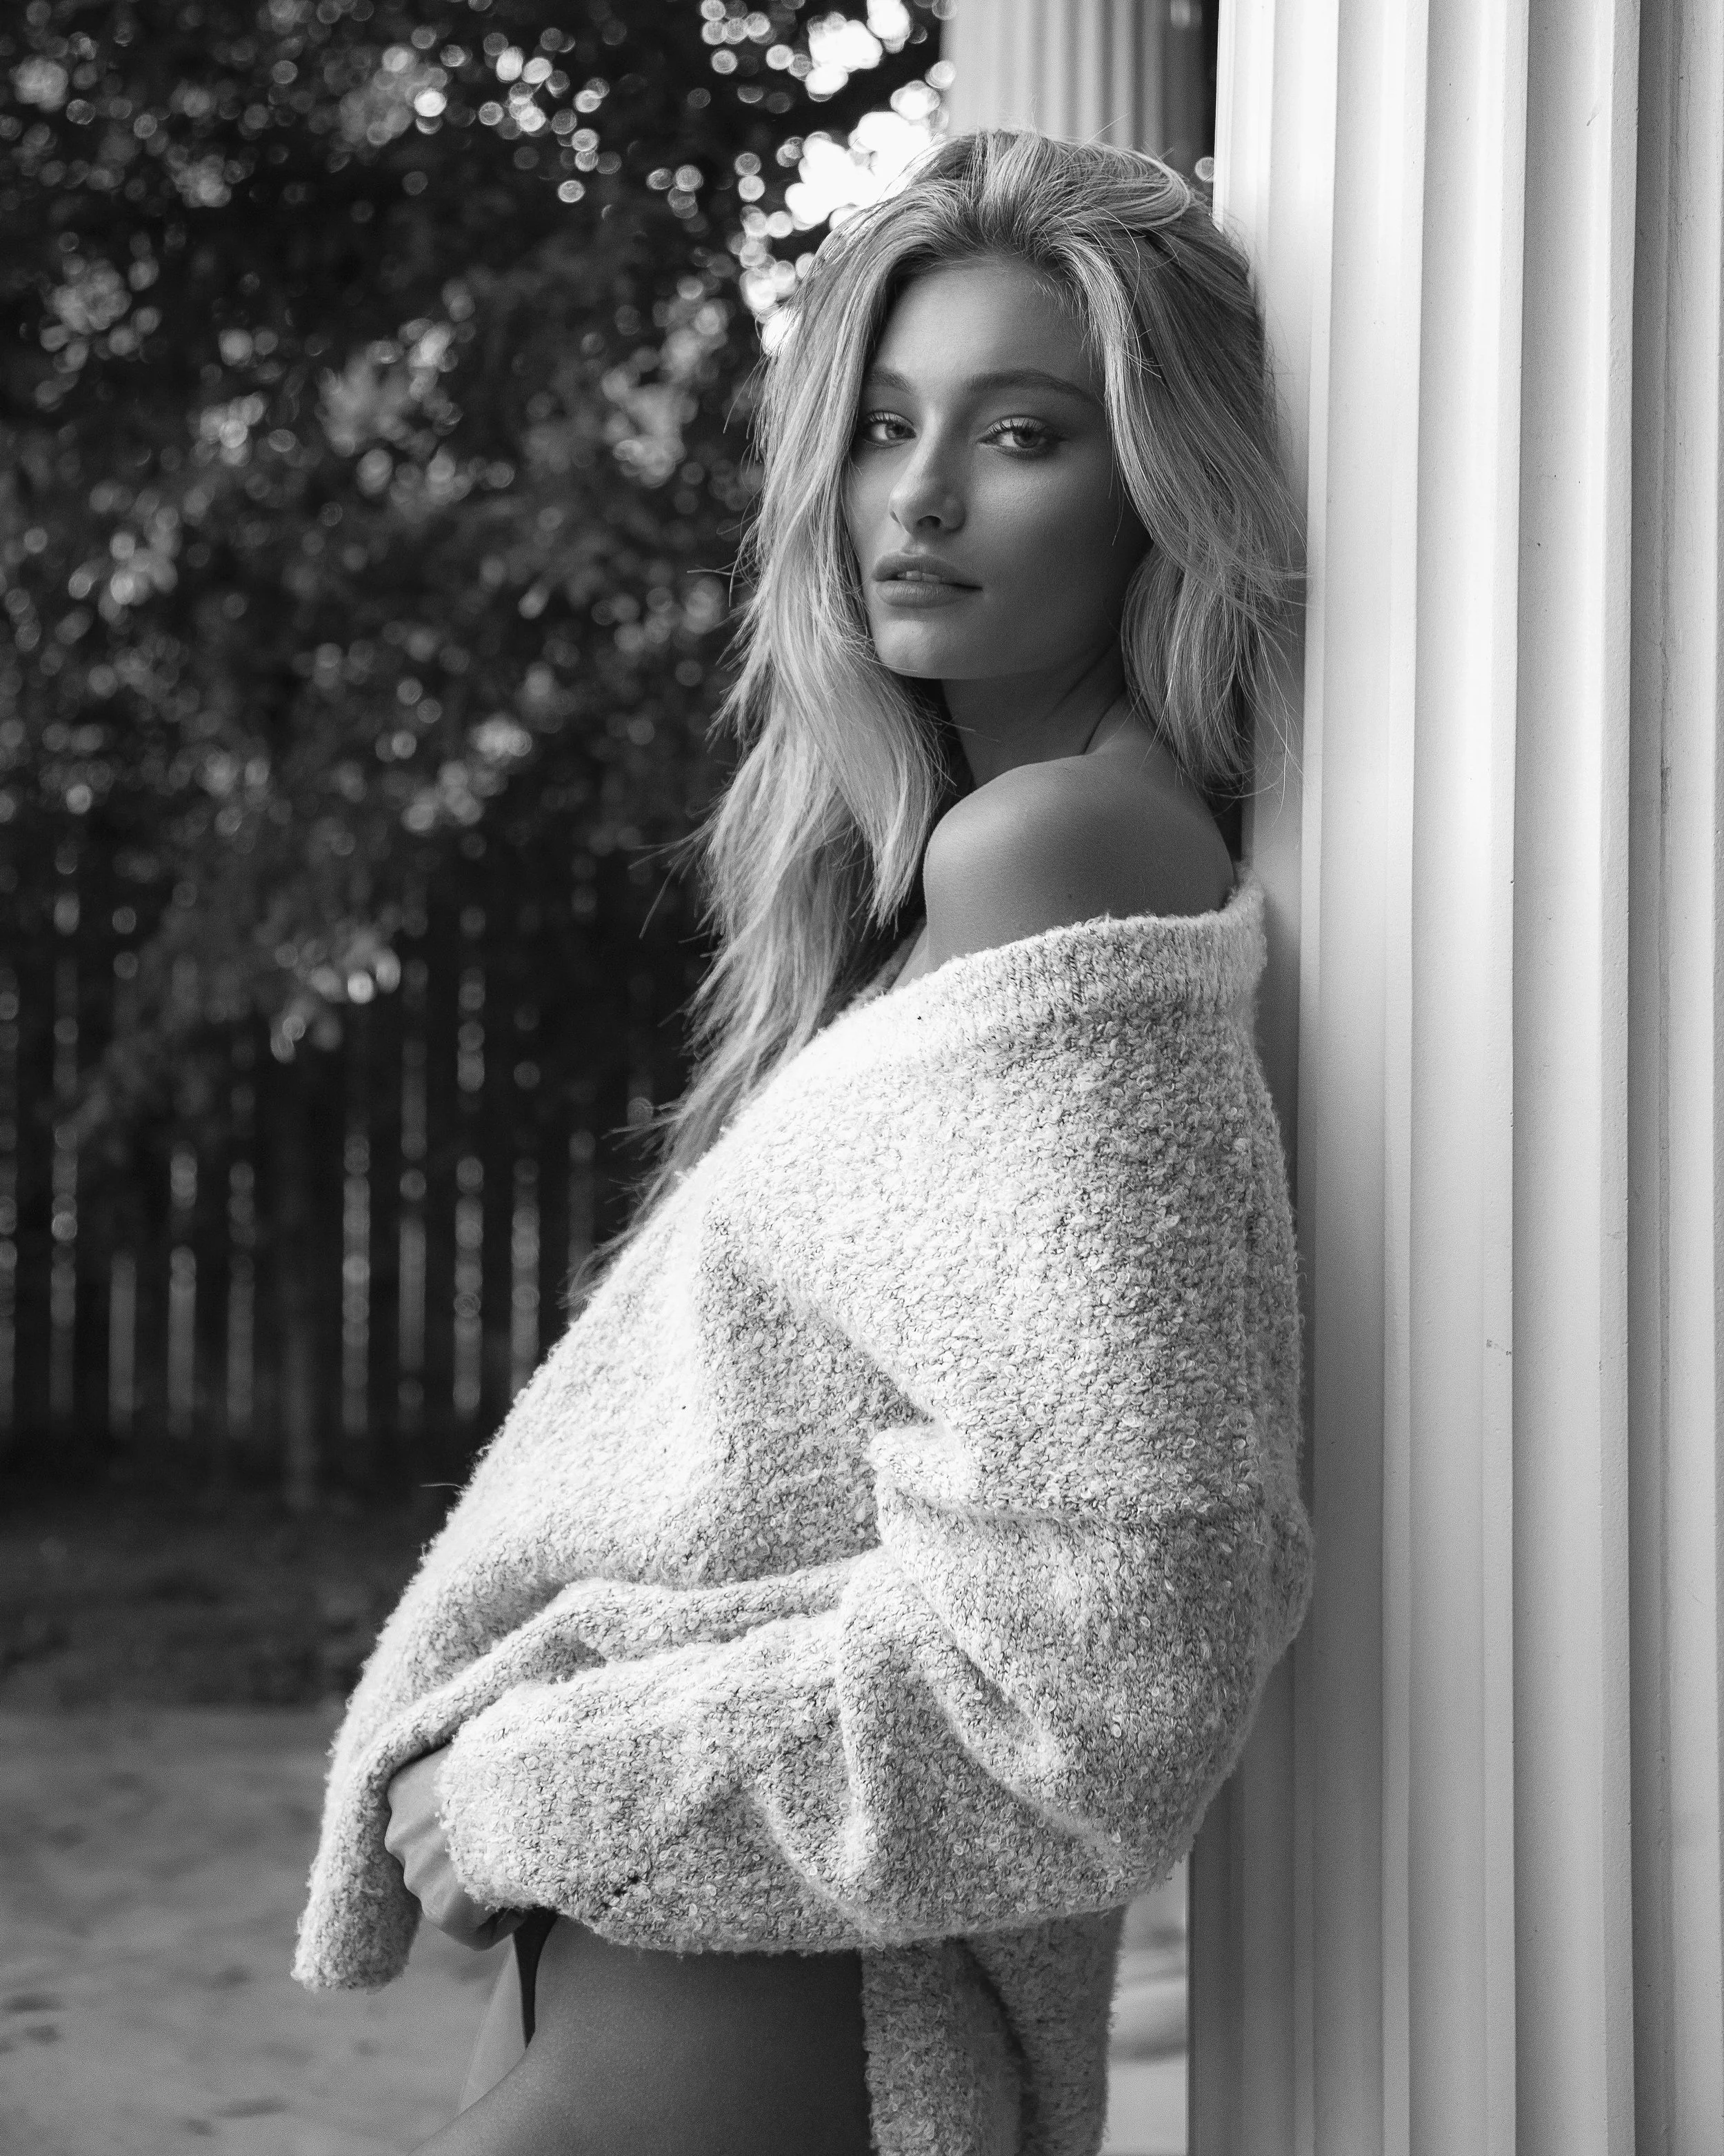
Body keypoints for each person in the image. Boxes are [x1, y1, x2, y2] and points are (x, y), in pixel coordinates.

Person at [295, 128, 1312, 2156]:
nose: (914, 502)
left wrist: (532, 1785)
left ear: (1160, 490)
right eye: (876, 424)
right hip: (676, 1935)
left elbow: (1107, 1653)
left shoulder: (1060, 849)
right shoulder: (919, 873)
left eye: (1022, 432)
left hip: (755, 1985)